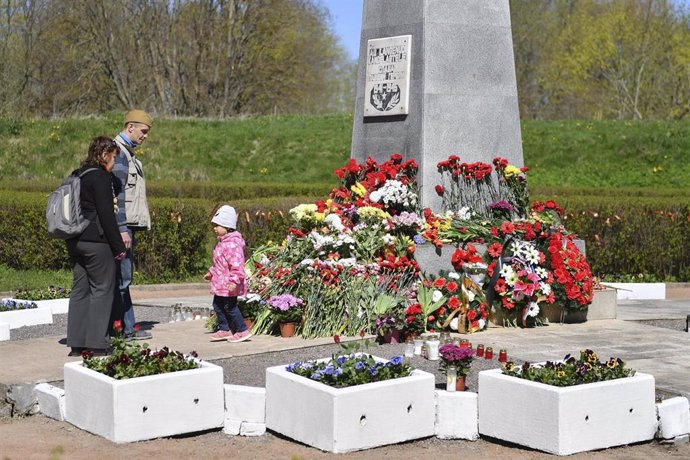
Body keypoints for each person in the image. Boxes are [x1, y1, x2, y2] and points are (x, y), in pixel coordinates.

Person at [66, 137, 127, 356]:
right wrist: (118, 246)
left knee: (80, 290)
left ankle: (76, 344)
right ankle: (97, 344)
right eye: (113, 157)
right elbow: (106, 214)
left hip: (75, 240)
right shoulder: (101, 177)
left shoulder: (77, 174)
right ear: (104, 154)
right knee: (102, 289)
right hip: (96, 242)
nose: (114, 162)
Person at [112, 109, 153, 341]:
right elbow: (116, 194)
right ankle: (123, 331)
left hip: (126, 226)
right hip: (123, 227)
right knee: (122, 279)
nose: (145, 136)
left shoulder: (127, 153)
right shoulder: (119, 153)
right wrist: (121, 228)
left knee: (123, 279)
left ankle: (126, 328)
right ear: (130, 127)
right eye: (143, 131)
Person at [205, 205, 251, 343]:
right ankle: (224, 329)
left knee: (231, 307)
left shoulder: (232, 245)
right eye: (215, 225)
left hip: (230, 283)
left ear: (228, 226)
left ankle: (242, 330)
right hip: (221, 283)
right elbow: (219, 264)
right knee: (217, 305)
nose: (215, 228)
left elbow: (237, 266)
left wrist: (234, 281)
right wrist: (211, 273)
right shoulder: (221, 243)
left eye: (218, 225)